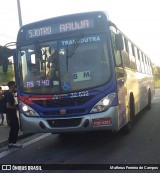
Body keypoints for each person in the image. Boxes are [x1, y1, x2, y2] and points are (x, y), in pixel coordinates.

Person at [4, 81, 22, 148]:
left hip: (11, 113)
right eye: (14, 85)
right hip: (11, 113)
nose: (15, 87)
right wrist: (16, 107)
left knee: (13, 127)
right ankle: (13, 142)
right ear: (11, 86)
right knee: (15, 127)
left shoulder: (9, 93)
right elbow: (8, 106)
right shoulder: (9, 94)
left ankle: (11, 142)